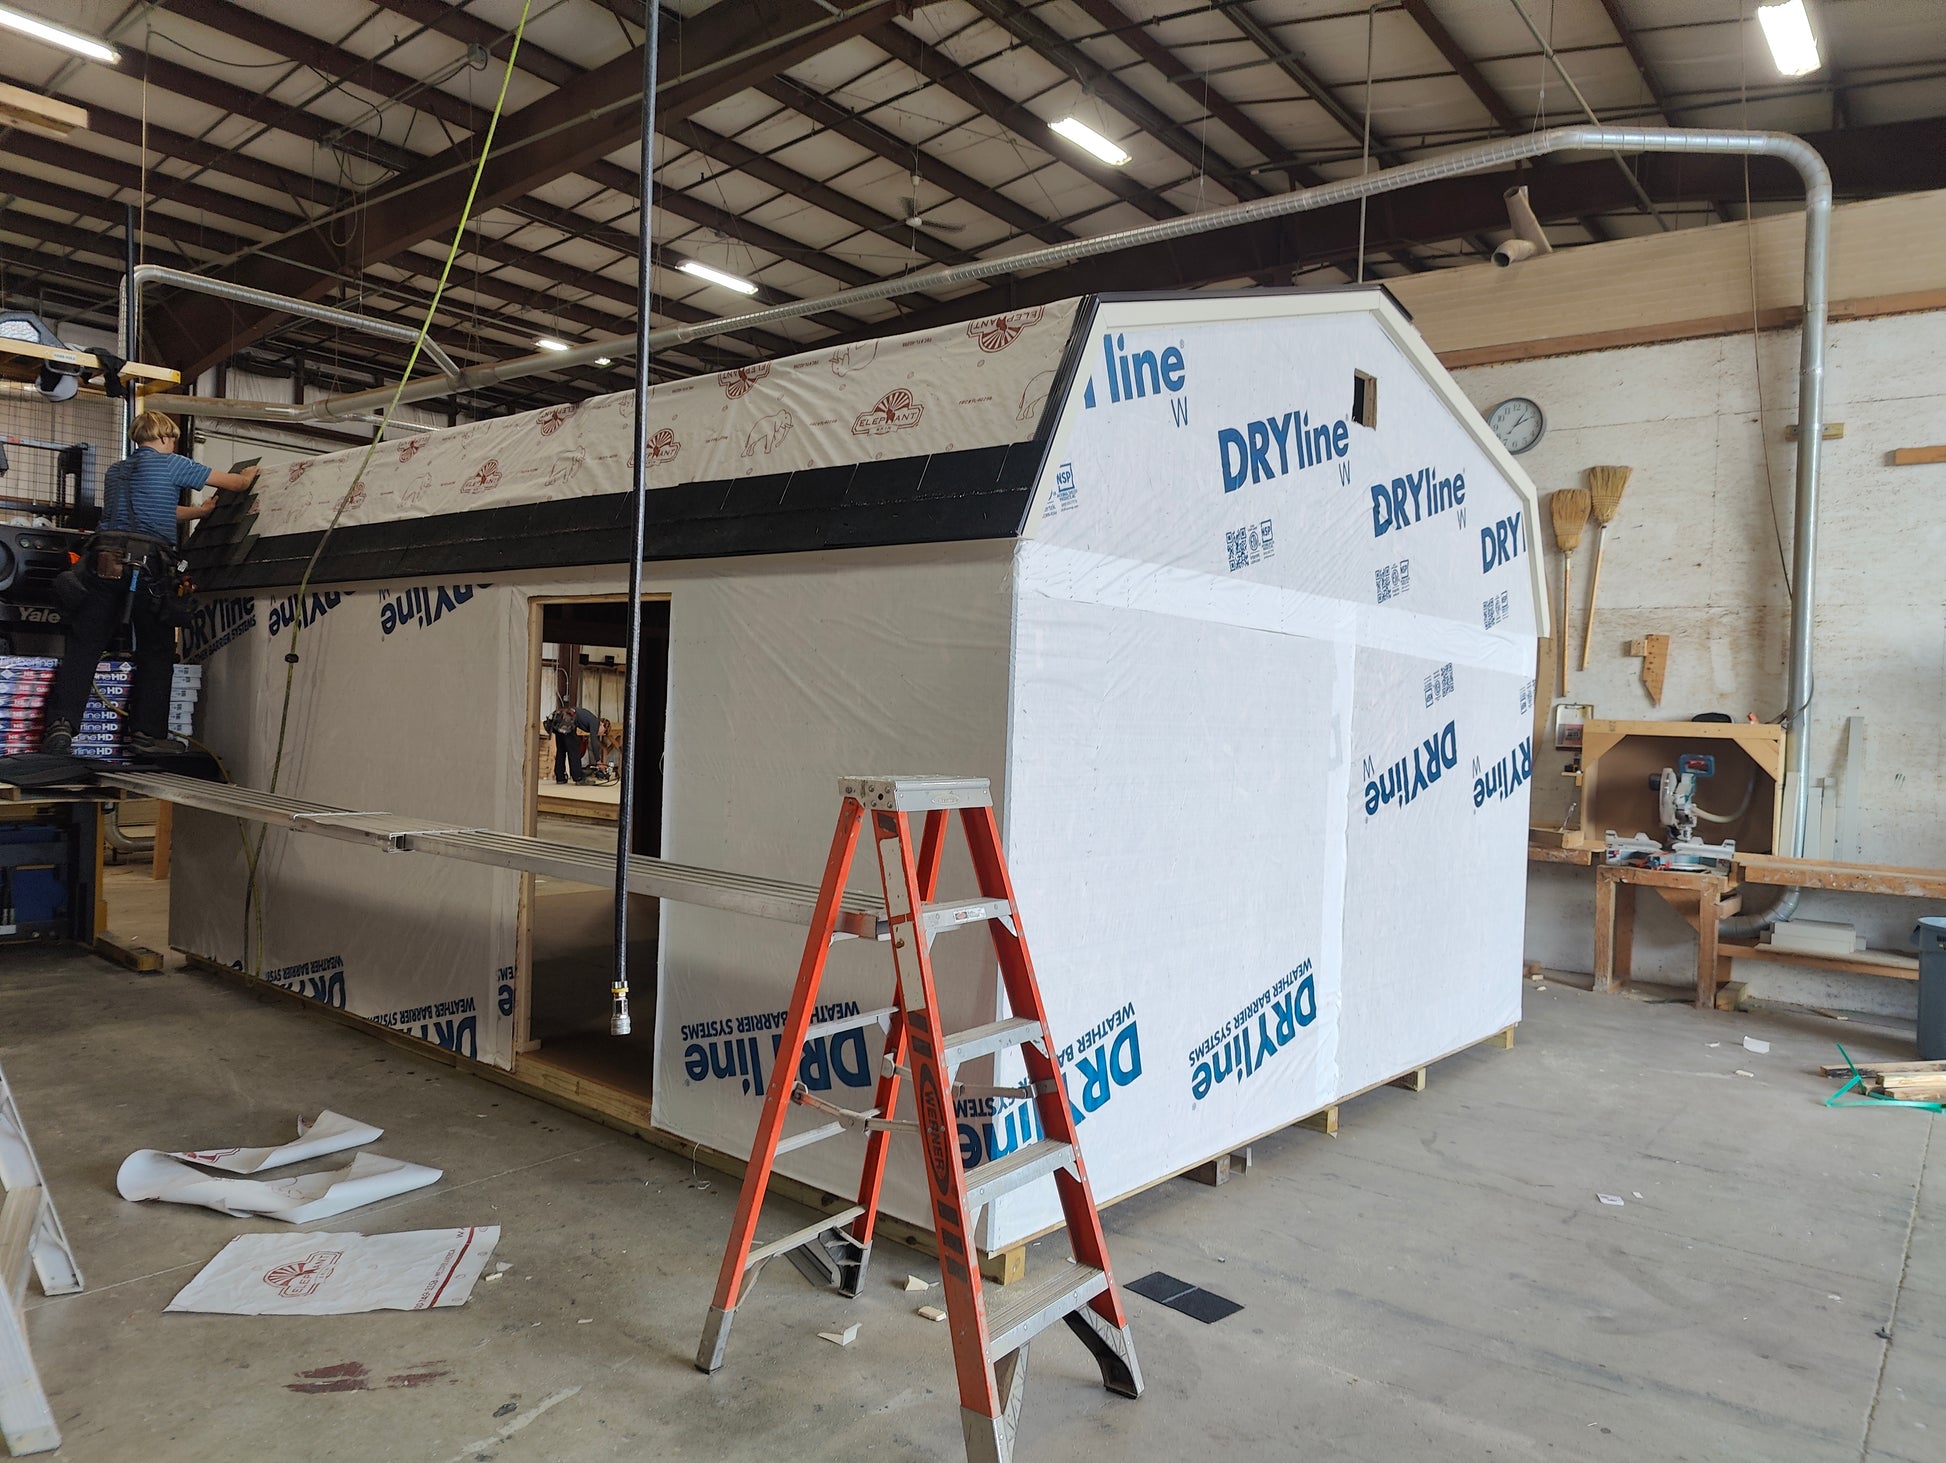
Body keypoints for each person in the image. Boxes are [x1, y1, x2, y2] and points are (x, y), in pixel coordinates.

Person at [40, 411, 261, 757]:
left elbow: (150, 510)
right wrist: (251, 474)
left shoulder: (117, 471)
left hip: (103, 563)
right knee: (156, 649)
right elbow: (237, 484)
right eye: (172, 439)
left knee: (84, 647)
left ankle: (61, 726)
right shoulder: (172, 463)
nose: (173, 444)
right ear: (164, 437)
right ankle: (146, 734)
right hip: (148, 568)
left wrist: (199, 513)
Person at [547, 702, 599, 784]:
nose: (601, 733)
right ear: (602, 724)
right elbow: (594, 741)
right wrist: (598, 760)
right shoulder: (595, 722)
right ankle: (578, 777)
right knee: (574, 750)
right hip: (567, 722)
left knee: (561, 750)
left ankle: (560, 777)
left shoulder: (585, 715)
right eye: (604, 732)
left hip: (558, 721)